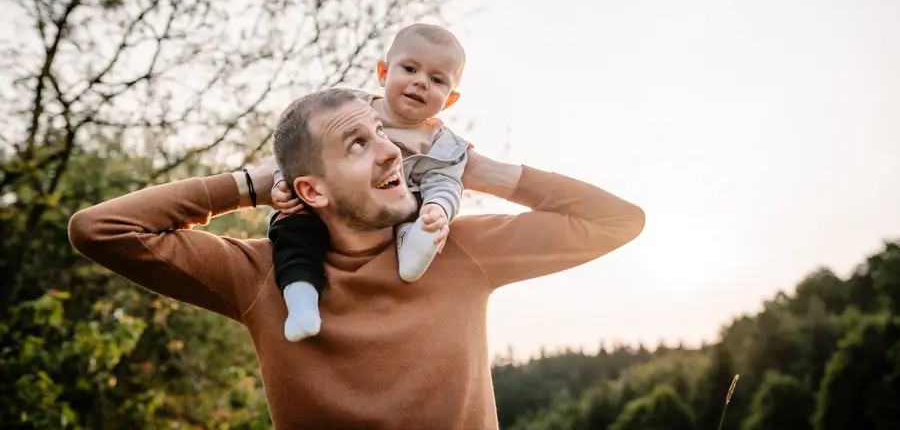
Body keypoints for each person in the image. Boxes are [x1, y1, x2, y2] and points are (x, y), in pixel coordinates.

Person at [68, 87, 645, 430]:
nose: (391, 149)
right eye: (357, 143)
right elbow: (101, 229)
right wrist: (248, 184)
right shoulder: (260, 275)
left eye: (381, 133)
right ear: (312, 190)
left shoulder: (459, 249)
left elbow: (619, 220)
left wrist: (478, 170)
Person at [269, 23, 470, 342]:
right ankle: (301, 299)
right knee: (294, 231)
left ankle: (413, 247)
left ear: (449, 99)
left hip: (393, 218)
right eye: (410, 68)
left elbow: (445, 183)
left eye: (436, 79)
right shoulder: (347, 109)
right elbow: (300, 146)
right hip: (322, 209)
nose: (420, 82)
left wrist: (436, 209)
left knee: (417, 217)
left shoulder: (443, 145)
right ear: (382, 72)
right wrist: (283, 183)